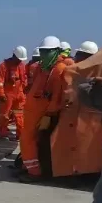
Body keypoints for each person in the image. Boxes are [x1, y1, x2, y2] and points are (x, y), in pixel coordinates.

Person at [18, 36, 67, 181]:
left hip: (43, 114)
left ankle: (35, 172)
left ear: (57, 51)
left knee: (30, 140)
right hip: (32, 112)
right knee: (27, 140)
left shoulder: (60, 70)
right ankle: (28, 167)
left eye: (48, 51)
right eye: (43, 51)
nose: (44, 54)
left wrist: (50, 114)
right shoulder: (41, 68)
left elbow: (58, 95)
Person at [0, 46, 28, 140]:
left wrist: (25, 91)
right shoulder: (3, 66)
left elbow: (24, 79)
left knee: (20, 115)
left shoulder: (22, 65)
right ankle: (3, 133)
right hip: (8, 94)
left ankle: (20, 135)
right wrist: (1, 94)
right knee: (5, 115)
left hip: (19, 93)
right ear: (14, 56)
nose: (20, 61)